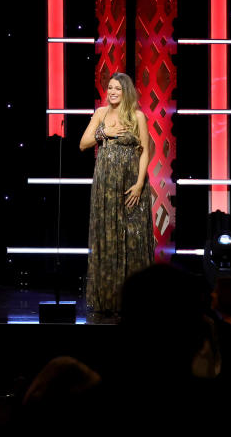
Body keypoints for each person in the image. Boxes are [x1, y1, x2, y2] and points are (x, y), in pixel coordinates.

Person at [79, 72, 156, 319]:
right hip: (105, 185)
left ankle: (136, 300)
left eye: (117, 89)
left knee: (133, 240)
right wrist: (106, 134)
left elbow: (144, 151)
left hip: (131, 186)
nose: (112, 92)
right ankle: (109, 299)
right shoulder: (101, 114)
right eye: (109, 88)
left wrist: (140, 183)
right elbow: (83, 143)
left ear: (126, 92)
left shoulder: (137, 117)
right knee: (108, 239)